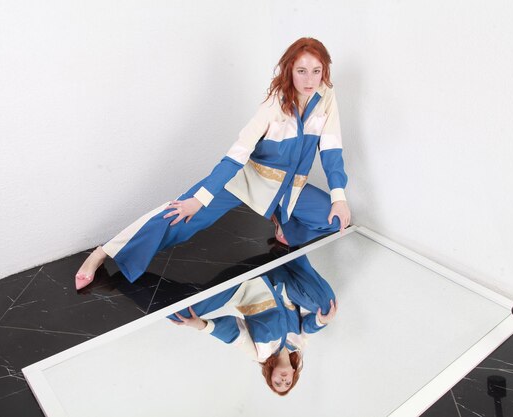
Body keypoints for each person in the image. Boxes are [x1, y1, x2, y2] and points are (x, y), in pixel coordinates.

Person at [75, 37, 351, 290]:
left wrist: (339, 196)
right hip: (247, 178)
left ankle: (282, 222)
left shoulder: (326, 96)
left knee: (335, 219)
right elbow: (235, 157)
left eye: (317, 70)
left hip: (289, 188)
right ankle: (104, 252)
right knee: (179, 215)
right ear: (289, 70)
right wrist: (201, 199)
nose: (310, 79)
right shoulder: (272, 107)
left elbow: (331, 149)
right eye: (302, 70)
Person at [169, 255, 338, 395]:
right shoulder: (299, 343)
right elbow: (310, 325)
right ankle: (293, 248)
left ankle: (146, 282)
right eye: (287, 383)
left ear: (271, 375)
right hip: (280, 279)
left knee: (179, 314)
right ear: (294, 373)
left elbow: (235, 335)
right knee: (326, 306)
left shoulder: (261, 353)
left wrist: (200, 325)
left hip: (246, 286)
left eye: (278, 382)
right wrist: (323, 321)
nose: (283, 380)